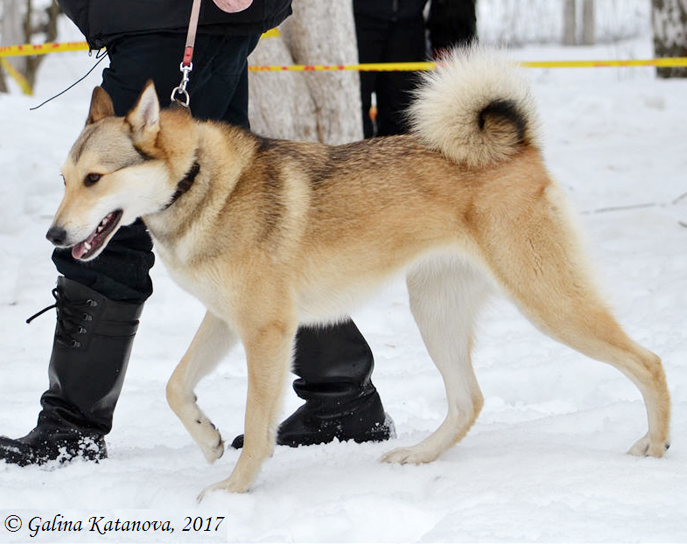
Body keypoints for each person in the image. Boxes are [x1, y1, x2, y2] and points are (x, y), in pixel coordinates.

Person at [0, 0, 393, 467]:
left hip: (168, 19)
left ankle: (70, 429)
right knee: (247, 223)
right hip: (172, 21)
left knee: (108, 222)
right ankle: (341, 393)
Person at [353, 0, 477, 138]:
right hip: (357, 20)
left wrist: (449, 37)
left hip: (410, 24)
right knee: (356, 108)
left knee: (403, 113)